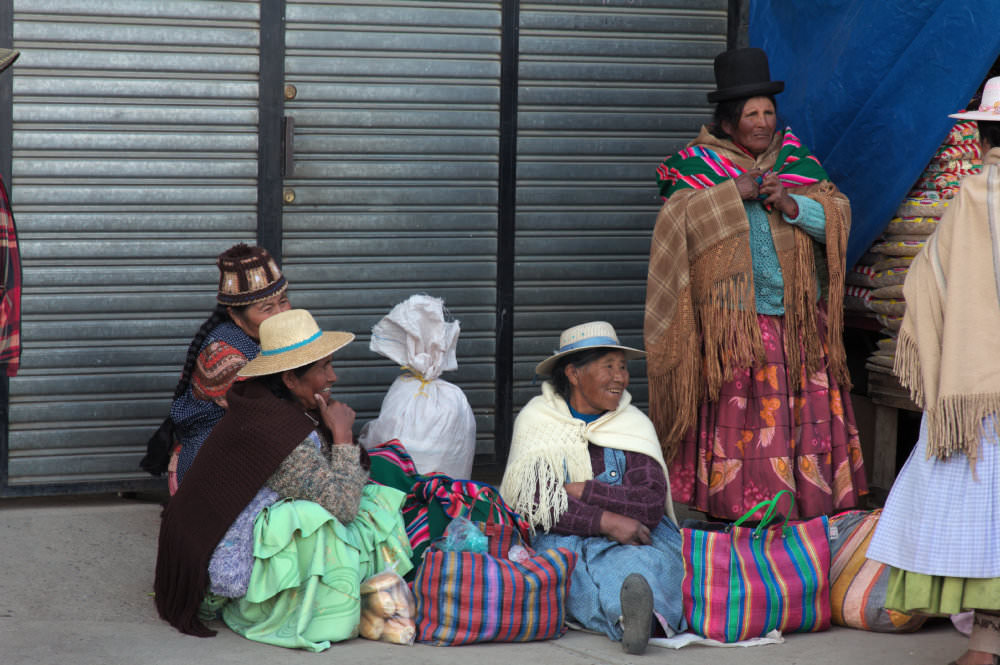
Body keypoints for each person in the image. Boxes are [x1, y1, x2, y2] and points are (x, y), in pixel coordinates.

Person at [645, 47, 867, 520]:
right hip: (736, 325)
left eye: (769, 111)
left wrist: (791, 204)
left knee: (800, 415)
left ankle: (805, 509)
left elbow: (838, 214)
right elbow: (675, 224)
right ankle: (733, 513)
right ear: (728, 122)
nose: (763, 122)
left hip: (799, 322)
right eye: (752, 114)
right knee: (744, 418)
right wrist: (733, 194)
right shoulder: (697, 166)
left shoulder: (795, 162)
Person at [153, 308, 412, 651]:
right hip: (225, 551)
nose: (333, 376)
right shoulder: (279, 433)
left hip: (206, 533)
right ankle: (297, 607)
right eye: (323, 368)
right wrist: (342, 434)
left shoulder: (269, 401)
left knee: (376, 485)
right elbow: (344, 507)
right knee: (321, 520)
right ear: (290, 379)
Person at [867, 78, 1000, 665]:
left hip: (978, 399)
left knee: (982, 519)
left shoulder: (972, 198)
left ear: (979, 136)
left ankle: (985, 645)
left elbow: (925, 283)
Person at [499, 321, 684, 655]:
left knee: (648, 565)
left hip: (635, 537)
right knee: (569, 577)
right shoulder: (537, 421)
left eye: (623, 367)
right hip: (562, 537)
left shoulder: (633, 425)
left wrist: (586, 490)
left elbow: (650, 502)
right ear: (573, 373)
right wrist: (607, 522)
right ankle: (633, 620)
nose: (620, 378)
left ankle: (643, 616)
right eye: (608, 367)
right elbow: (537, 500)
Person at [168, 242, 291, 487]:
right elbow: (267, 420)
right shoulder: (224, 357)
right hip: (211, 462)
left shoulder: (267, 338)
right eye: (267, 308)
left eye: (284, 301)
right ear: (235, 315)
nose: (281, 314)